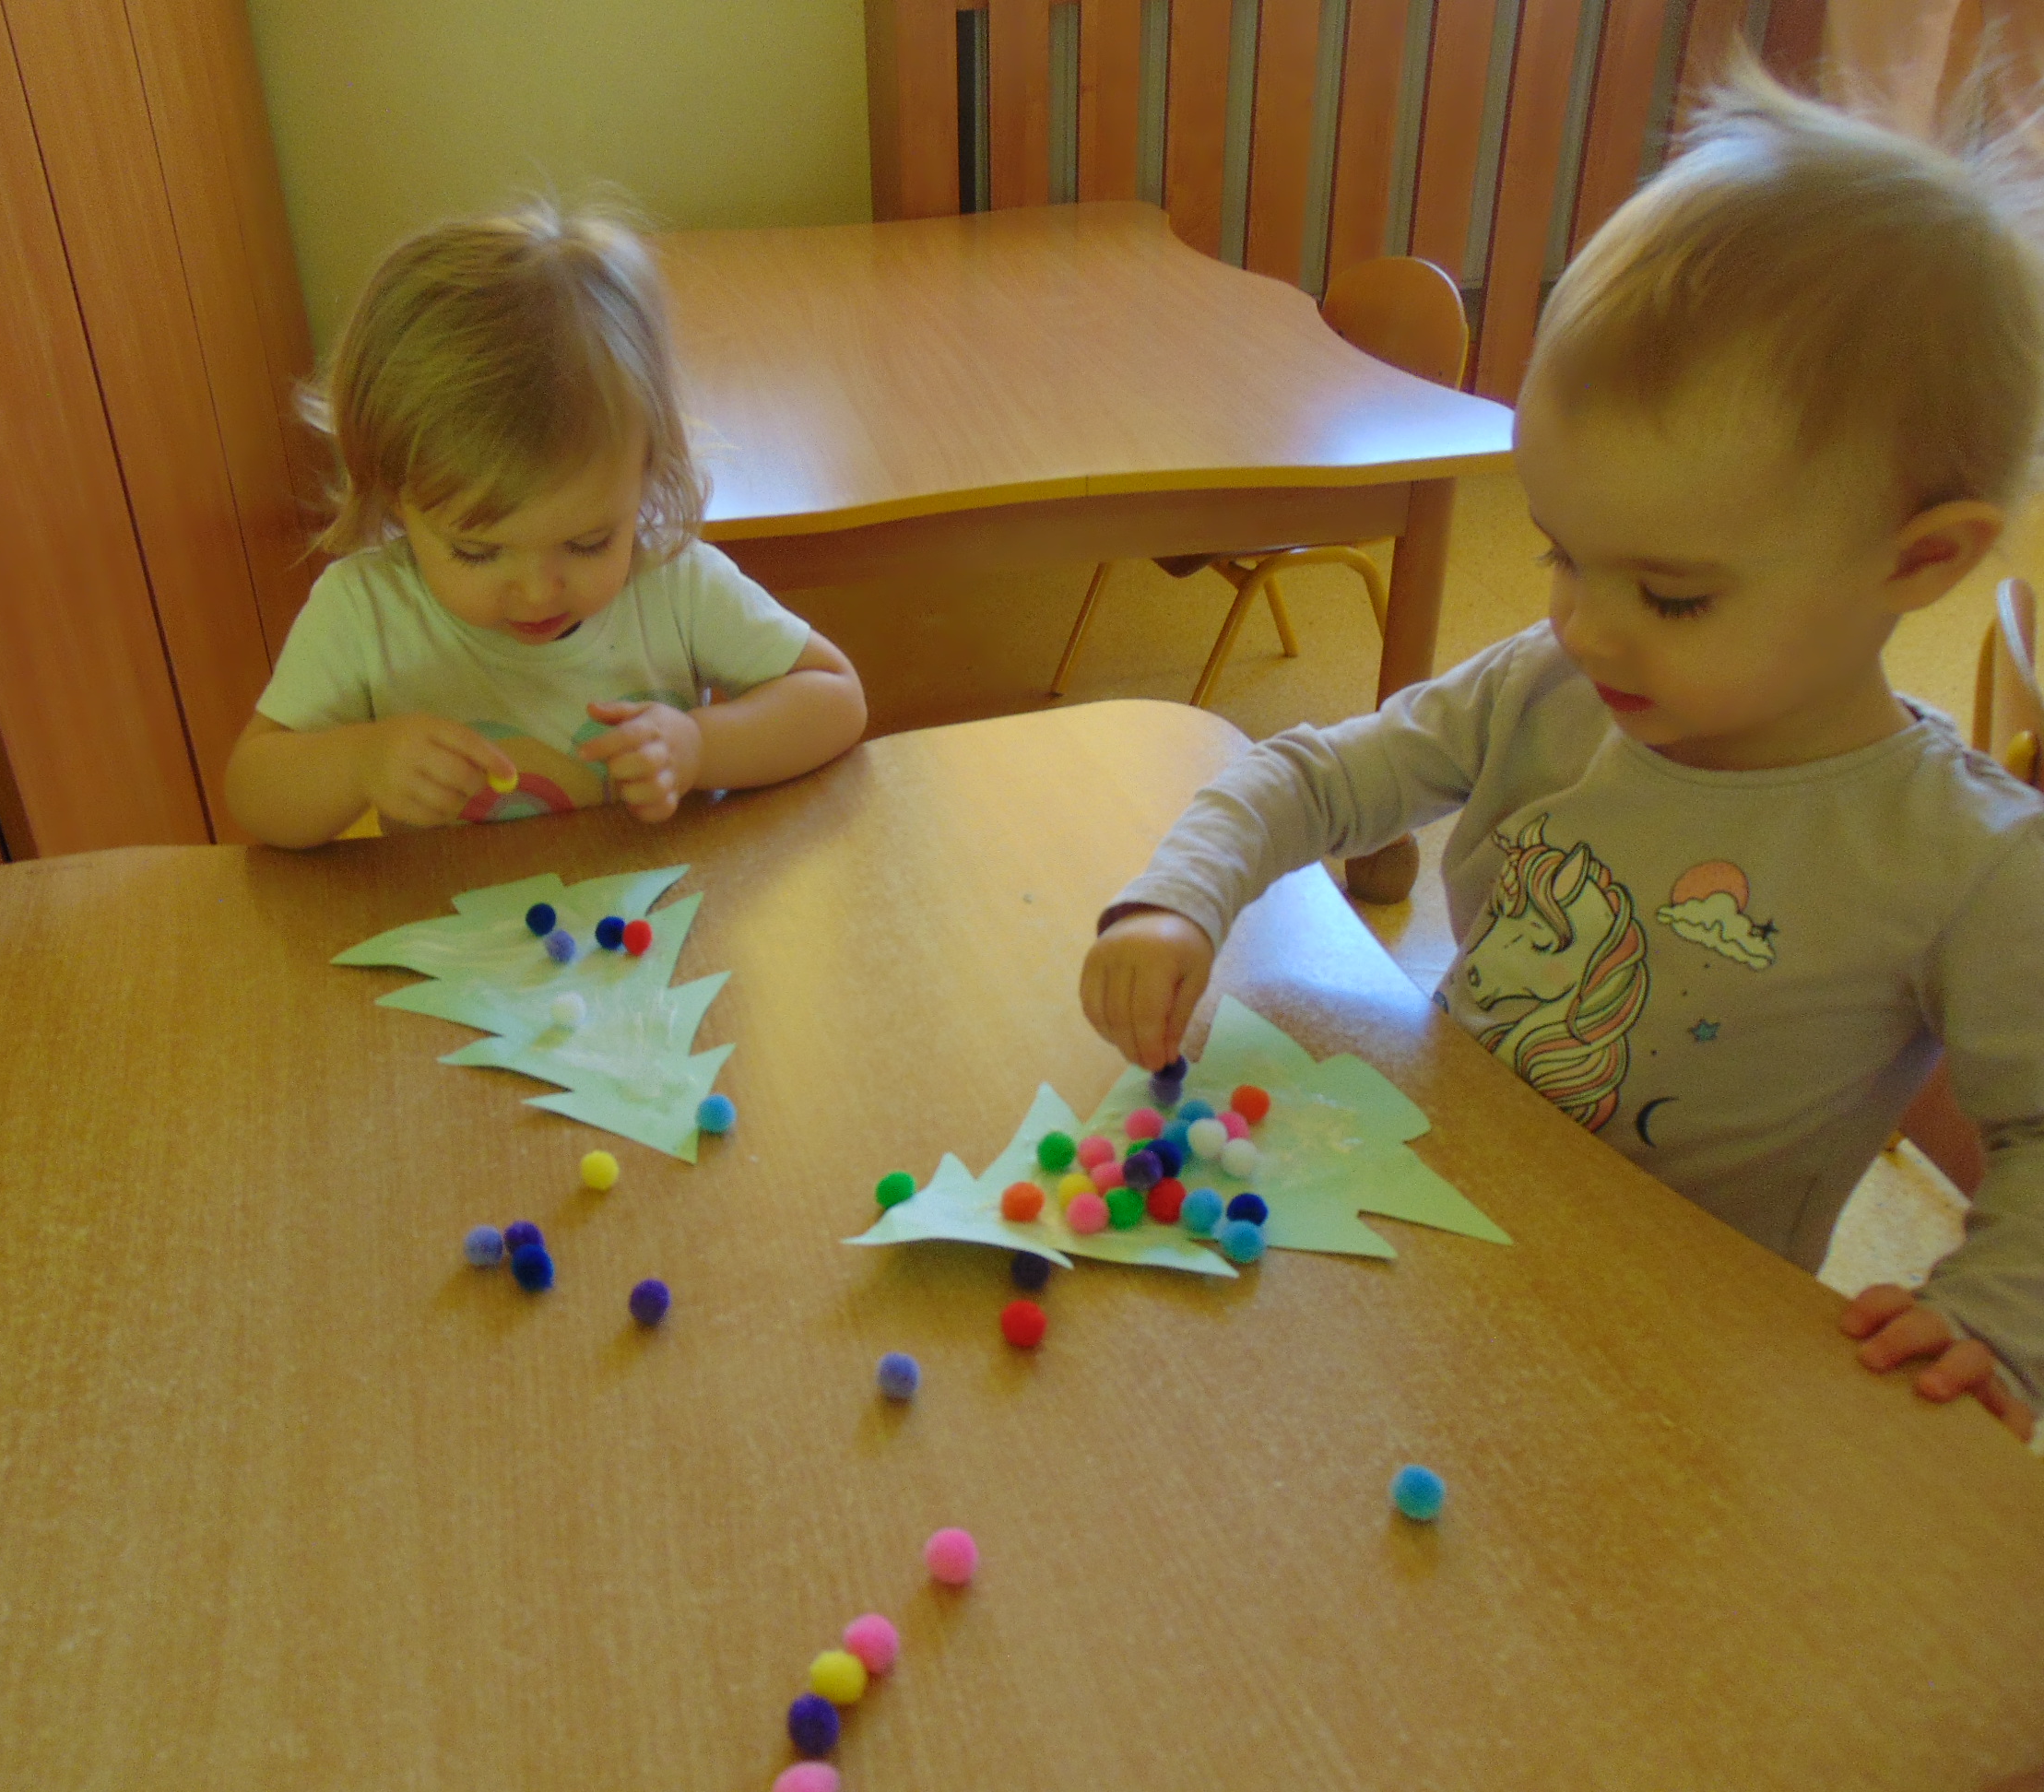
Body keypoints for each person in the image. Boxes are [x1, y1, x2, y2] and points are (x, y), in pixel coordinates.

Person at [1080, 63, 2044, 1442]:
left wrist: (1994, 1318)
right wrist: (1181, 894)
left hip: (1662, 1361)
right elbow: (1313, 776)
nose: (1582, 626)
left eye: (1674, 595)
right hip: (1435, 1213)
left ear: (1921, 563)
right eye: (1558, 553)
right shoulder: (1551, 685)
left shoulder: (1968, 865)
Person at [225, 199, 866, 847]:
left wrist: (701, 747)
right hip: (456, 911)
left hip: (665, 903)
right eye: (478, 553)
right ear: (395, 495)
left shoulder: (674, 584)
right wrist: (359, 764)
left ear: (646, 474)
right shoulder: (365, 612)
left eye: (588, 543)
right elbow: (255, 792)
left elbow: (835, 697)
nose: (538, 593)